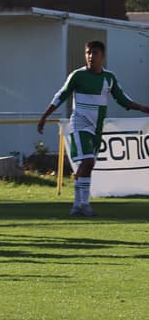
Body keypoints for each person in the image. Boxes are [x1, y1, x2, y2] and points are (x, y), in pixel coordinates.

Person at [36, 40, 149, 217]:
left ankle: (81, 205)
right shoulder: (77, 76)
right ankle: (79, 204)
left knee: (89, 165)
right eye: (88, 53)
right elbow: (61, 95)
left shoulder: (109, 78)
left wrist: (142, 108)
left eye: (94, 53)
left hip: (97, 128)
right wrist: (44, 116)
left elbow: (122, 99)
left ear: (102, 56)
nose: (90, 56)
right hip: (80, 124)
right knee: (88, 162)